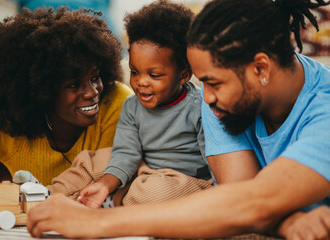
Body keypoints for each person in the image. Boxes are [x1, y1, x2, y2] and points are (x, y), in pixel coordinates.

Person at [27, 0, 330, 239]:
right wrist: (289, 220)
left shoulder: (325, 110)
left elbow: (249, 205)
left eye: (214, 83)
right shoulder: (223, 101)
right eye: (203, 83)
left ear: (261, 69)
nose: (206, 97)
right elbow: (239, 199)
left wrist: (98, 223)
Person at [42, 0, 212, 207]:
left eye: (154, 75)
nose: (141, 82)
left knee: (154, 192)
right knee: (94, 160)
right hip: (140, 167)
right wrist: (104, 183)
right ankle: (46, 195)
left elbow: (214, 159)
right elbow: (126, 152)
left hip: (180, 179)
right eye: (134, 71)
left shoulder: (200, 106)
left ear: (183, 75)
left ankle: (115, 201)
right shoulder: (132, 106)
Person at [0, 7, 132, 198]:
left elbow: (98, 190)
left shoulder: (116, 104)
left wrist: (10, 195)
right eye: (73, 84)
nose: (92, 92)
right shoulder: (5, 130)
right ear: (40, 91)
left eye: (95, 77)